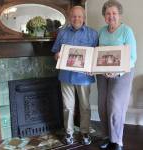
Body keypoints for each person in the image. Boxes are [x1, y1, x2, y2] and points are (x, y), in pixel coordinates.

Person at [52, 6, 98, 145]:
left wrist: (92, 68)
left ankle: (85, 133)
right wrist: (58, 56)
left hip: (84, 77)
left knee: (85, 106)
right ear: (69, 18)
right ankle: (69, 133)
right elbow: (55, 53)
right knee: (67, 107)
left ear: (84, 18)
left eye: (79, 16)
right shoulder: (62, 33)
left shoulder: (93, 34)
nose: (76, 19)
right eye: (74, 16)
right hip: (66, 76)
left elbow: (96, 56)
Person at [96, 0, 137, 150]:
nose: (111, 16)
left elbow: (132, 57)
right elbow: (96, 54)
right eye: (107, 13)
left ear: (119, 15)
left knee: (115, 107)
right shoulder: (101, 31)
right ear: (104, 16)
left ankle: (117, 140)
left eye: (114, 13)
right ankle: (107, 136)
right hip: (102, 74)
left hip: (122, 73)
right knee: (102, 106)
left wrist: (117, 71)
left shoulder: (127, 31)